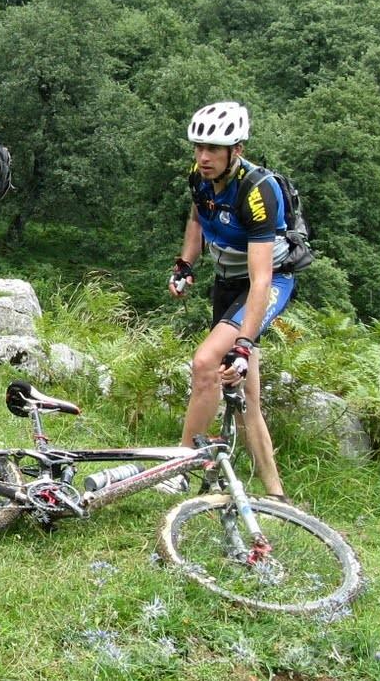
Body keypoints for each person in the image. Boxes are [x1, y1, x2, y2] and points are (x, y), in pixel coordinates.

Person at [165, 101, 292, 501]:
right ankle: (276, 494)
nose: (203, 157)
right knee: (245, 399)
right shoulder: (200, 176)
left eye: (213, 149)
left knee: (206, 363)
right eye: (199, 147)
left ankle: (181, 467)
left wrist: (244, 344)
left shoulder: (257, 191)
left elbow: (261, 279)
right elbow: (197, 218)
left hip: (264, 284)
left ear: (236, 150)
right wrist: (186, 263)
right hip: (226, 282)